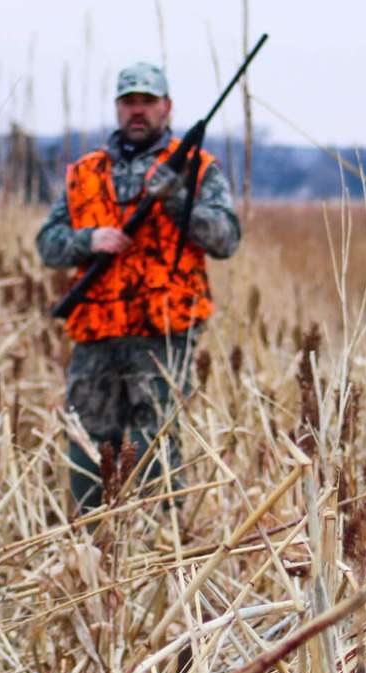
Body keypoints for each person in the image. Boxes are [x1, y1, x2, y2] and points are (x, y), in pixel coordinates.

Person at [36, 62, 241, 514]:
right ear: (117, 108)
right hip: (96, 328)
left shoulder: (197, 168)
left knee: (155, 443)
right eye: (130, 102)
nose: (139, 110)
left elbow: (226, 239)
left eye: (148, 101)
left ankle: (159, 550)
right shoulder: (86, 171)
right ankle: (93, 548)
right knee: (88, 442)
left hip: (163, 330)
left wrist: (175, 201)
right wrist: (87, 240)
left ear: (167, 107)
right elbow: (47, 245)